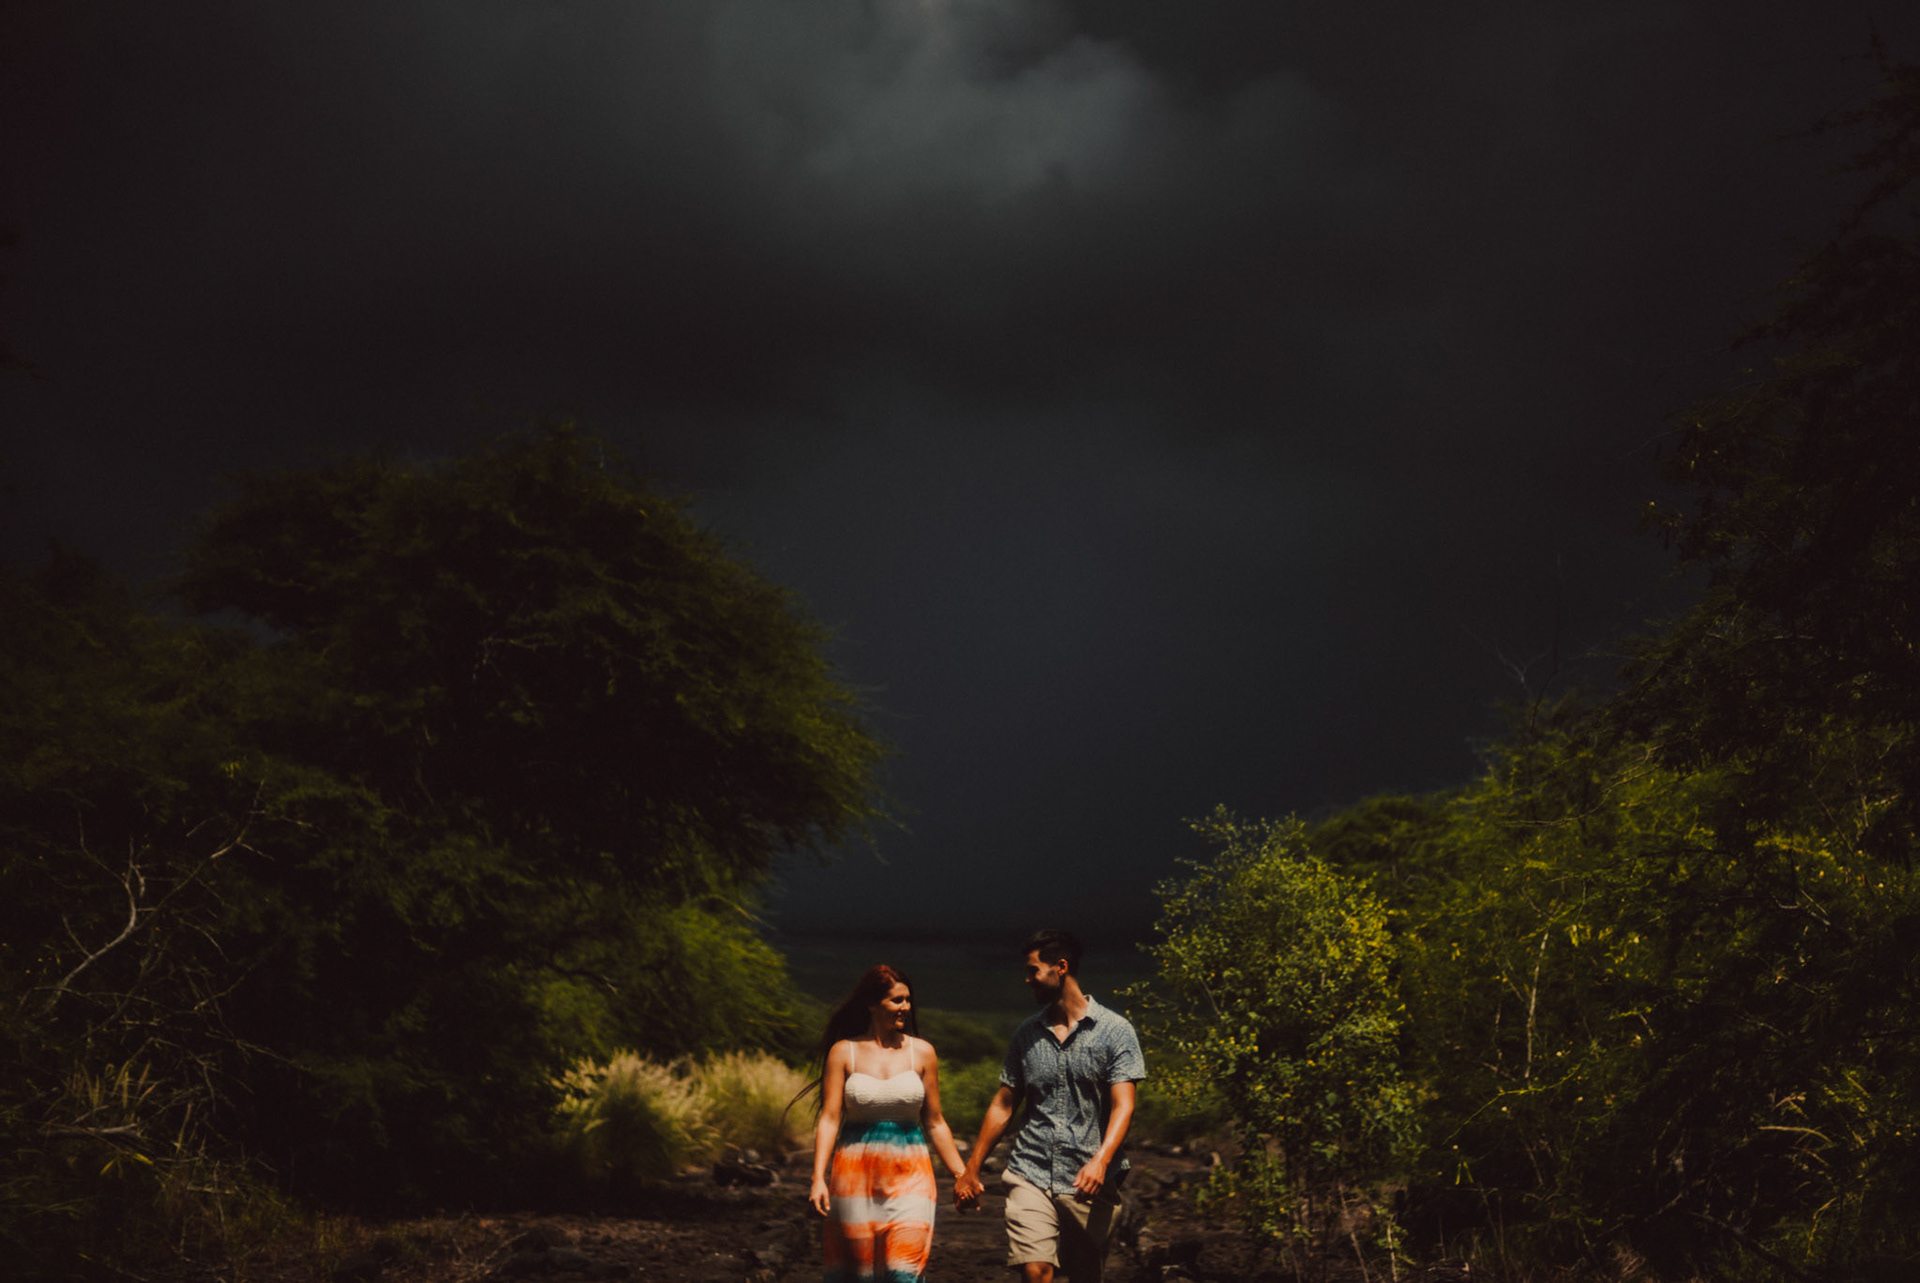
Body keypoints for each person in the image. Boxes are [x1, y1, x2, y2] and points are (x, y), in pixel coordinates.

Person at [952, 930, 1145, 1283]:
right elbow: (1004, 1103)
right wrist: (972, 1168)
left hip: (1088, 1181)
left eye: (1033, 971)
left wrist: (1100, 1161)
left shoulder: (1116, 1031)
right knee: (1036, 1271)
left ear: (1061, 967)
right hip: (1030, 1171)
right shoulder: (1027, 1034)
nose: (1027, 980)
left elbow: (1124, 1106)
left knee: (1084, 1275)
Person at [803, 963, 969, 1283]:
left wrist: (962, 1175)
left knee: (903, 1274)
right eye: (897, 1000)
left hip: (912, 1178)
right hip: (854, 1179)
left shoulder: (922, 1052)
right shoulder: (844, 1052)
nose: (905, 1006)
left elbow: (935, 1122)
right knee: (860, 1275)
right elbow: (830, 1119)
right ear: (871, 1004)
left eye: (908, 999)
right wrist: (818, 1178)